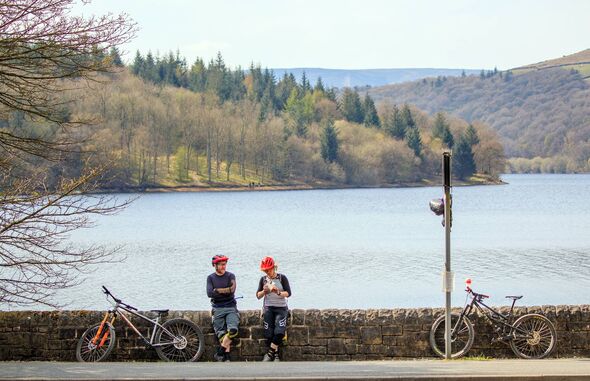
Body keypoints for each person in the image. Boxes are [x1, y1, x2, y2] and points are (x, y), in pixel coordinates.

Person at [256, 256, 291, 362]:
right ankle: (275, 355)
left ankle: (270, 353)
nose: (268, 272)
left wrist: (278, 292)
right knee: (269, 333)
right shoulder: (263, 280)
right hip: (268, 308)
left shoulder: (282, 278)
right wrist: (264, 292)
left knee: (279, 332)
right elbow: (258, 295)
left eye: (269, 269)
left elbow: (288, 293)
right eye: (265, 270)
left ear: (274, 267)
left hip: (281, 308)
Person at [206, 255, 239, 362]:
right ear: (214, 265)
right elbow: (210, 293)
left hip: (231, 307)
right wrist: (226, 291)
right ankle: (226, 356)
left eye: (224, 264)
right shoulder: (210, 278)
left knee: (233, 330)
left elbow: (232, 290)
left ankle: (220, 352)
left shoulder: (231, 276)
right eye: (221, 264)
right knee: (222, 334)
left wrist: (218, 290)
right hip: (217, 308)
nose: (223, 266)